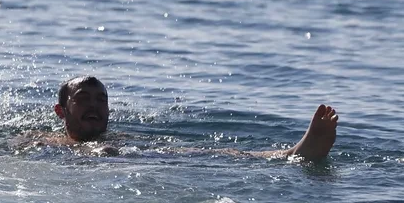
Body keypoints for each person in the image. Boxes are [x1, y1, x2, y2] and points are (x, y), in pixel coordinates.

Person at [31, 74, 339, 161]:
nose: (94, 106)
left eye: (102, 100)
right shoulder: (42, 142)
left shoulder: (125, 140)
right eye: (82, 99)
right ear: (61, 111)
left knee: (204, 153)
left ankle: (290, 154)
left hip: (137, 162)